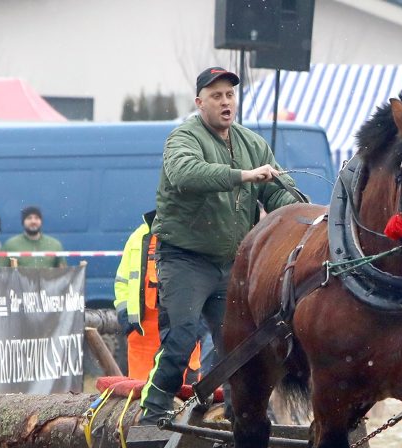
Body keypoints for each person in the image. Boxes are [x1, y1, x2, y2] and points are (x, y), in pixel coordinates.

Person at [138, 66, 304, 424]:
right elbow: (185, 174)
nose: (226, 101)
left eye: (230, 94)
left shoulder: (253, 143)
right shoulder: (182, 138)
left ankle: (239, 415)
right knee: (182, 339)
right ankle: (152, 413)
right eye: (216, 96)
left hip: (230, 263)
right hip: (184, 259)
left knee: (240, 348)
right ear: (200, 103)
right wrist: (242, 175)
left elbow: (275, 190)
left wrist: (305, 212)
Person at [114, 211, 201, 382]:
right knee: (139, 393)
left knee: (183, 392)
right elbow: (122, 280)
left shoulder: (193, 235)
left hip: (180, 328)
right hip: (142, 331)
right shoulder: (138, 237)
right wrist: (126, 317)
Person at [0, 206, 65, 268]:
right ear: (23, 222)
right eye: (29, 218)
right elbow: (0, 272)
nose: (33, 221)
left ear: (41, 221)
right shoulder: (10, 245)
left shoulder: (55, 245)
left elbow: (64, 273)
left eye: (37, 218)